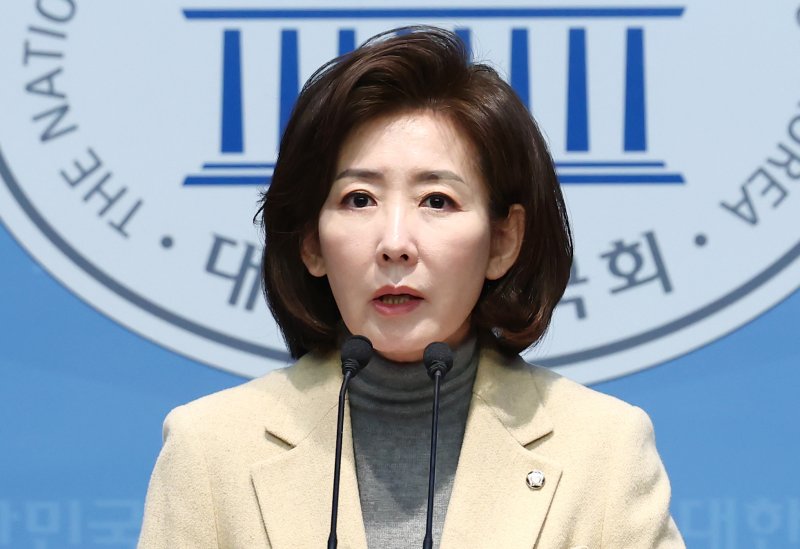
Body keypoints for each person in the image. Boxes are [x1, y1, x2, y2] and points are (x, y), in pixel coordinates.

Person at [138, 26, 685, 548]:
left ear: (502, 241)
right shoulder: (209, 450)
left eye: (437, 201)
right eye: (359, 199)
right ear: (310, 242)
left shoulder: (603, 450)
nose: (395, 243)